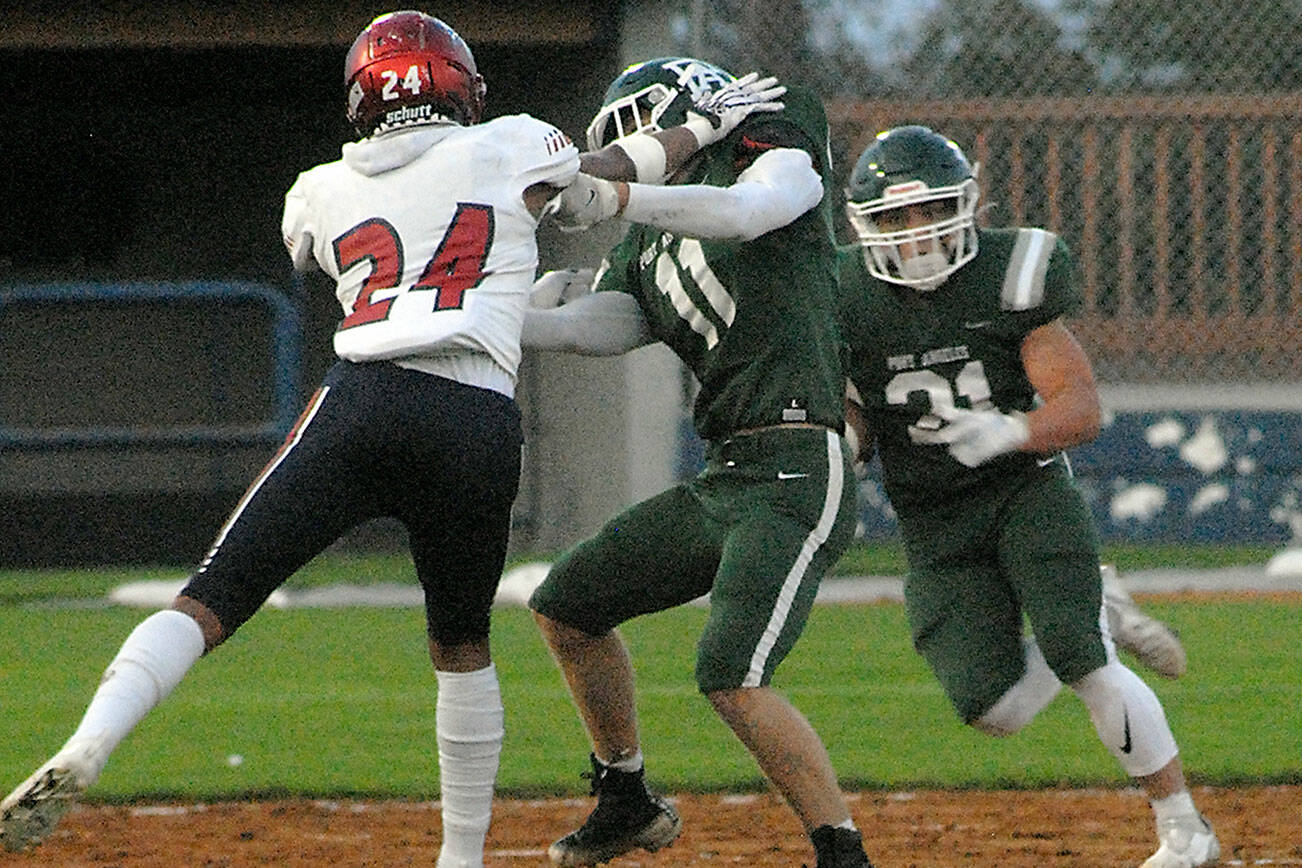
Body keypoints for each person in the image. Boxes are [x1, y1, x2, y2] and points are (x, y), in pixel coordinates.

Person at [0, 13, 777, 863]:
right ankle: (459, 858)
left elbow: (340, 254)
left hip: (364, 399)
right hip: (475, 415)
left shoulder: (317, 189)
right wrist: (706, 123)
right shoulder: (513, 143)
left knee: (209, 596)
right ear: (459, 87)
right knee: (462, 646)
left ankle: (91, 743)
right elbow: (618, 169)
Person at [523, 57, 875, 868]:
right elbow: (599, 327)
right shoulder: (648, 240)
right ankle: (626, 798)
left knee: (731, 672)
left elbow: (752, 211)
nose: (630, 154)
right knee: (567, 605)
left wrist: (620, 197)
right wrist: (487, 320)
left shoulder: (773, 128)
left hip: (797, 461)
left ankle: (842, 852)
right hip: (728, 473)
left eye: (633, 131)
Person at [836, 124, 1219, 868]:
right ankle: (1099, 609)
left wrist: (1011, 431)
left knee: (1084, 662)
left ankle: (1183, 829)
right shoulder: (841, 295)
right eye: (894, 217)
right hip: (934, 518)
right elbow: (852, 409)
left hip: (1023, 490)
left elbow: (1082, 409)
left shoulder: (1011, 274)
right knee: (993, 709)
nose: (916, 234)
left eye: (930, 211)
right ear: (863, 226)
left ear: (966, 205)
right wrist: (840, 446)